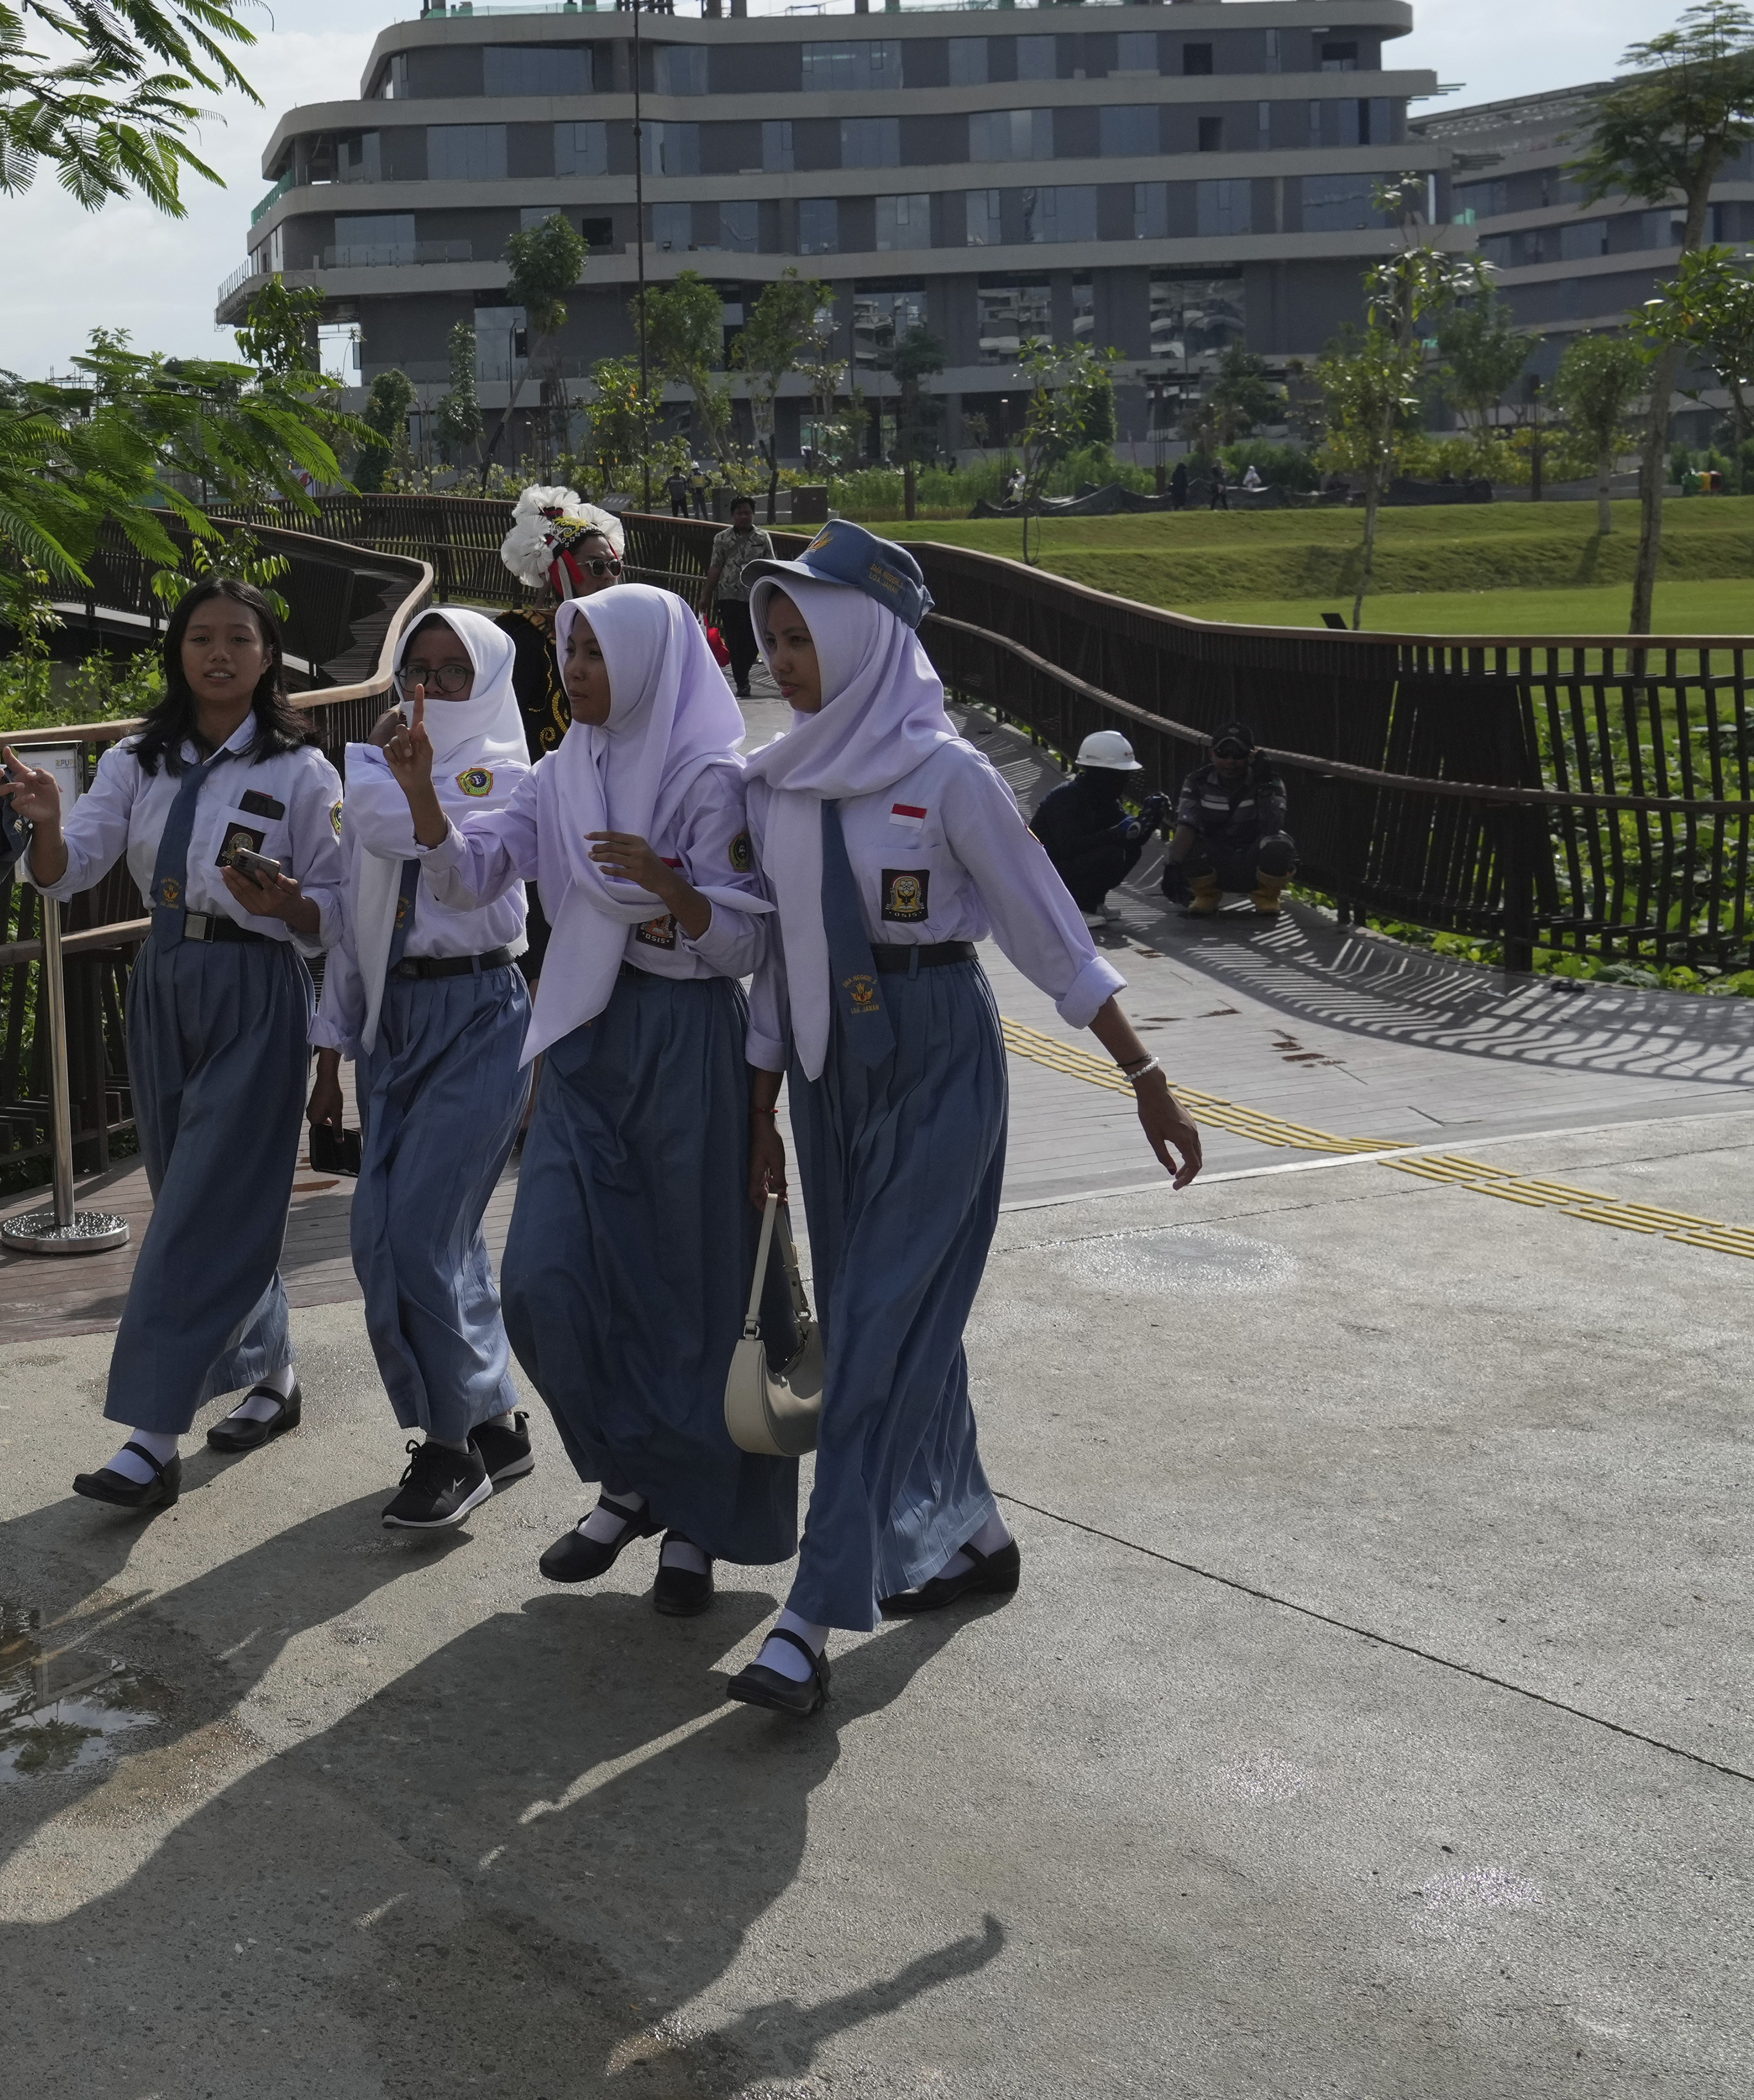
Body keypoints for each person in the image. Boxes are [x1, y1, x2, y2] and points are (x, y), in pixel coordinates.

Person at [727, 523, 1202, 1718]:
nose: (782, 660)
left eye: (804, 638)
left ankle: (811, 1615)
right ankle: (970, 1530)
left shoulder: (949, 778)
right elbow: (783, 959)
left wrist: (1145, 1075)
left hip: (937, 1054)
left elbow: (1052, 932)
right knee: (888, 1321)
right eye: (772, 638)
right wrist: (762, 1105)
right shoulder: (776, 783)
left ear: (867, 642)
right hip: (835, 1073)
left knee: (879, 1332)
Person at [386, 581, 786, 1614]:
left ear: (650, 662)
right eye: (569, 654)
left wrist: (674, 889)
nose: (576, 673)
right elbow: (472, 881)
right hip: (580, 1039)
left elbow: (748, 942)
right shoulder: (560, 778)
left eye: (597, 656)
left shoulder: (709, 779)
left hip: (685, 1042)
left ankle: (692, 1520)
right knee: (545, 1285)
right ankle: (628, 1475)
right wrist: (425, 793)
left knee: (689, 1295)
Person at [0, 580, 342, 1514]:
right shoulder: (136, 760)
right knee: (193, 1197)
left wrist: (290, 905)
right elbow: (72, 876)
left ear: (269, 655)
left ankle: (151, 1441)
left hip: (255, 990)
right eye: (200, 639)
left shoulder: (302, 773)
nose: (218, 655)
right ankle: (272, 1375)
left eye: (239, 639)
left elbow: (337, 910)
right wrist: (48, 825)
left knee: (194, 1216)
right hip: (163, 986)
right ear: (177, 653)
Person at [314, 608, 541, 1531]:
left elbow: (464, 876)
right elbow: (353, 915)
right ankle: (495, 1421)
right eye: (420, 667)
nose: (434, 688)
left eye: (456, 673)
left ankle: (447, 1447)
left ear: (487, 683)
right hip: (394, 1023)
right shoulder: (366, 769)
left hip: (480, 1011)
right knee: (384, 1236)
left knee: (422, 1232)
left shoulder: (513, 773)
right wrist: (330, 1054)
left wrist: (418, 791)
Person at [494, 486, 630, 756]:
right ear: (562, 572)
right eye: (596, 567)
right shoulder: (525, 635)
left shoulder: (629, 632)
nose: (608, 577)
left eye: (613, 566)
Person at [1029, 729, 1167, 918]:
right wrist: (1116, 835)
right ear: (1100, 773)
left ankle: (1092, 902)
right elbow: (1070, 847)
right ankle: (1074, 909)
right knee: (1111, 853)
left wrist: (1149, 821)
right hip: (1043, 876)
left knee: (1132, 851)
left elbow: (1129, 838)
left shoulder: (1106, 800)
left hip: (1064, 868)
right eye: (1119, 774)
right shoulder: (1065, 798)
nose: (1124, 781)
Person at [1160, 723, 1295, 916]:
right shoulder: (1197, 781)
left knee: (1279, 844)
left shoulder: (1270, 781)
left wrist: (1265, 787)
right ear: (1212, 755)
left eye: (1238, 755)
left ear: (1251, 756)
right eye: (1223, 754)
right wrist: (1172, 866)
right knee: (1187, 842)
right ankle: (1206, 896)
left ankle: (1267, 897)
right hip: (1214, 860)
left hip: (1251, 861)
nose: (1230, 762)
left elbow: (1272, 826)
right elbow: (1187, 826)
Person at [704, 499, 767, 701]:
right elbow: (716, 567)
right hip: (729, 595)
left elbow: (771, 564)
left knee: (754, 638)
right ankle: (742, 682)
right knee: (734, 639)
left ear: (753, 515)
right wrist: (705, 594)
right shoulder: (722, 539)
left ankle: (744, 671)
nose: (744, 517)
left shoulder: (763, 538)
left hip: (754, 595)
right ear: (733, 516)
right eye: (740, 513)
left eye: (747, 513)